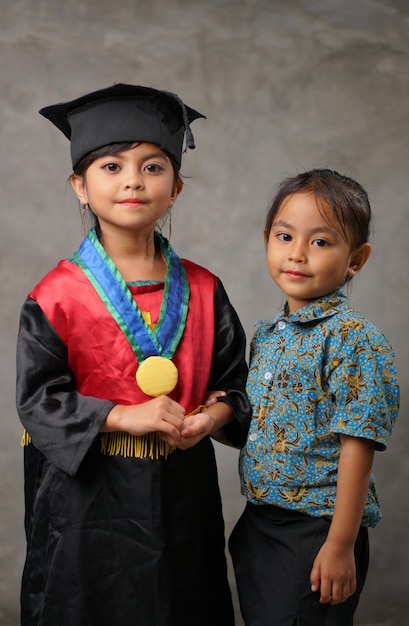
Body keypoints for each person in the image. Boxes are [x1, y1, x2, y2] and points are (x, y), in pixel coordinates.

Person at [16, 83, 251, 626]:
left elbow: (239, 383)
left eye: (152, 167)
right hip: (86, 506)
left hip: (181, 496)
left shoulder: (205, 290)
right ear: (79, 185)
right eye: (111, 166)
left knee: (183, 603)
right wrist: (124, 414)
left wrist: (210, 418)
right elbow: (38, 400)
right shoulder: (57, 296)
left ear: (176, 188)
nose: (132, 181)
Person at [228, 169, 400, 626]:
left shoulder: (352, 340)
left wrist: (340, 544)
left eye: (321, 242)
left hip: (317, 529)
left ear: (356, 259)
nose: (298, 254)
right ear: (268, 238)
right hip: (260, 521)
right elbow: (262, 425)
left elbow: (357, 443)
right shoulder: (267, 335)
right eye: (285, 236)